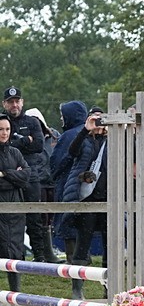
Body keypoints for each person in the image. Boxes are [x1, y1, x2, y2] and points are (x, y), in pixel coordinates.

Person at [3, 86, 55, 262]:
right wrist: (25, 141)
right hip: (8, 178)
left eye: (17, 101)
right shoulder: (2, 122)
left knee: (34, 217)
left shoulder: (32, 122)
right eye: (11, 102)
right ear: (4, 104)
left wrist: (14, 143)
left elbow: (39, 145)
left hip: (30, 176)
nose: (14, 105)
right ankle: (16, 255)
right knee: (11, 217)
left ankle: (39, 254)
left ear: (22, 102)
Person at [62, 109, 109, 299]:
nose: (98, 123)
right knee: (82, 246)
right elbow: (71, 152)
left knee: (111, 247)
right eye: (95, 119)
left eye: (101, 119)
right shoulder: (85, 140)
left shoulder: (112, 141)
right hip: (87, 200)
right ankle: (77, 290)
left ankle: (109, 288)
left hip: (108, 200)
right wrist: (85, 129)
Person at [49, 101, 88, 263]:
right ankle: (84, 258)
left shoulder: (69, 136)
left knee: (68, 225)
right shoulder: (88, 133)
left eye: (63, 115)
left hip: (68, 186)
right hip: (87, 189)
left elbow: (56, 164)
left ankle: (74, 263)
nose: (61, 118)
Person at [0, 114, 32, 292]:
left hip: (16, 209)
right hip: (1, 208)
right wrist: (14, 175)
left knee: (15, 250)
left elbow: (26, 176)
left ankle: (16, 292)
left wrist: (5, 173)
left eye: (7, 129)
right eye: (1, 129)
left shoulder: (15, 152)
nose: (4, 133)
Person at [24, 107, 60, 261]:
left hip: (51, 181)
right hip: (36, 182)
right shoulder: (28, 139)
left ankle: (48, 251)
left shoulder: (53, 136)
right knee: (38, 218)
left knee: (49, 218)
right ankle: (41, 253)